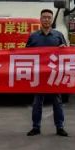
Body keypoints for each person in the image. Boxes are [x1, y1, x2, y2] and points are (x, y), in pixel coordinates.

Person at [26, 8, 68, 137]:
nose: (46, 20)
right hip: (39, 74)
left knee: (57, 101)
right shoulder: (33, 36)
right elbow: (26, 54)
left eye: (49, 17)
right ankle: (36, 127)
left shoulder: (58, 35)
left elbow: (67, 54)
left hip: (54, 74)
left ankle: (60, 127)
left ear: (52, 20)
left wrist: (63, 48)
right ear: (40, 19)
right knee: (37, 102)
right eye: (44, 17)